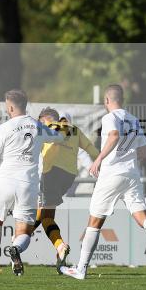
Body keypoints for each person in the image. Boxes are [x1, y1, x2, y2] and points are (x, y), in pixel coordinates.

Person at [60, 84, 146, 280]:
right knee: (143, 218)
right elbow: (143, 152)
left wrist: (99, 159)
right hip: (132, 174)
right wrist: (127, 156)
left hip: (111, 174)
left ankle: (81, 269)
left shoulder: (109, 118)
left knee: (94, 222)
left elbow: (114, 135)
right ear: (123, 100)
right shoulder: (134, 120)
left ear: (106, 101)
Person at [0, 89, 47, 276]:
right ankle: (16, 249)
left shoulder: (3, 128)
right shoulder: (39, 127)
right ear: (25, 105)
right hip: (27, 184)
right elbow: (59, 137)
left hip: (4, 181)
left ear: (10, 107)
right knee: (24, 231)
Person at [36, 107, 99, 271]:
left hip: (51, 174)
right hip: (68, 177)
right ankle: (57, 250)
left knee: (44, 217)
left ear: (46, 119)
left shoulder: (48, 128)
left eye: (40, 120)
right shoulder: (74, 129)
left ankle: (21, 242)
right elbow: (91, 149)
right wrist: (101, 163)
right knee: (44, 214)